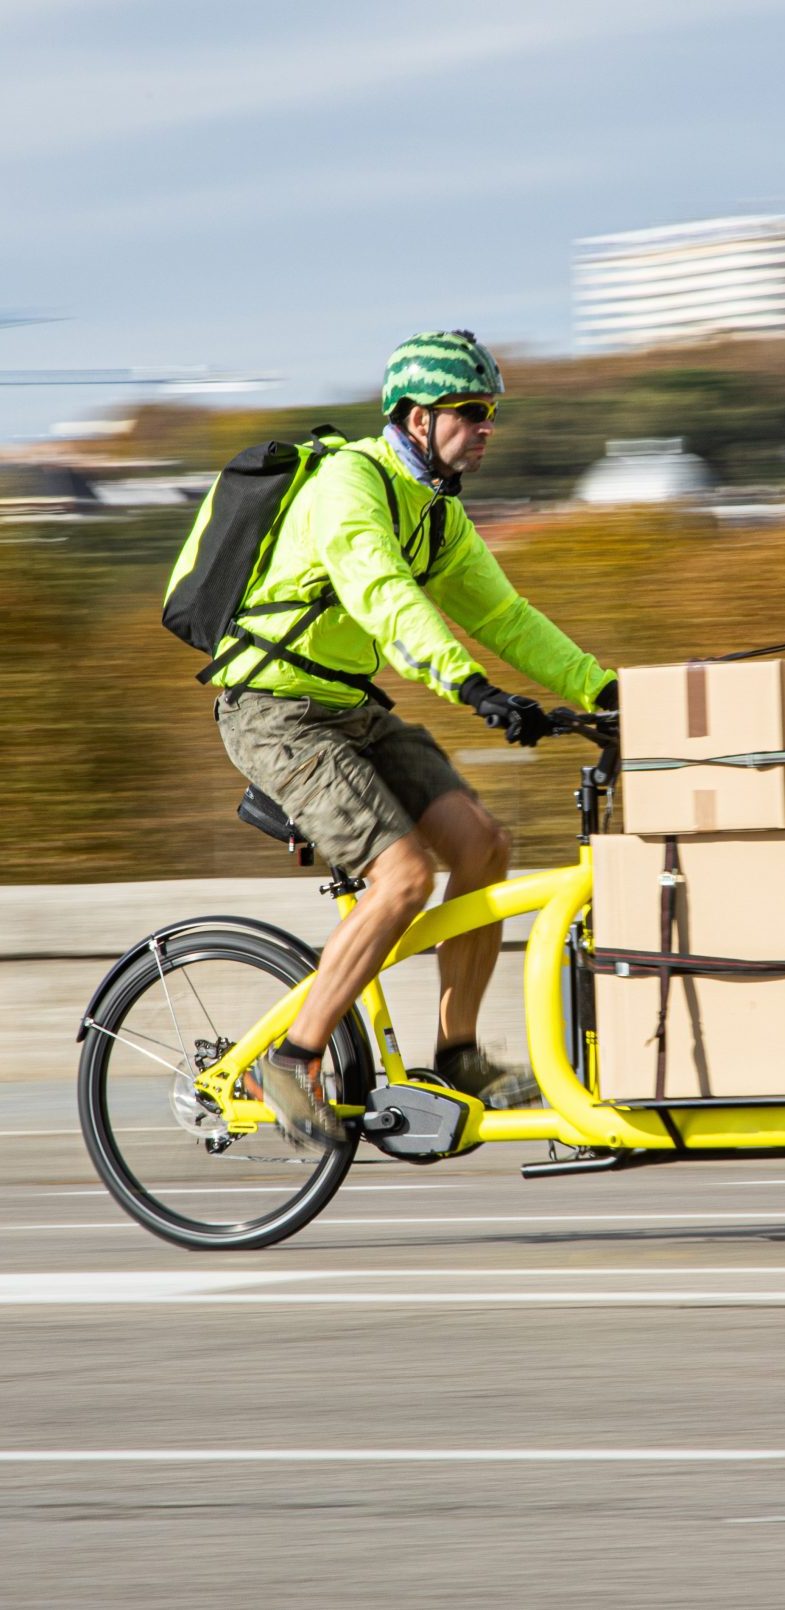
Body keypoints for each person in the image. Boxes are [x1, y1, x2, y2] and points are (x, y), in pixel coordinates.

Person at [207, 329, 617, 1150]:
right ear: (416, 417)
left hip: (348, 708)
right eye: (470, 411)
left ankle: (456, 1056)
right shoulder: (349, 484)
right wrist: (470, 688)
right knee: (401, 878)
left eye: (491, 412)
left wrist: (602, 691)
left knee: (485, 846)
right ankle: (290, 1059)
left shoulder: (437, 515)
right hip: (272, 711)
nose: (486, 426)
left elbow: (504, 617)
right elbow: (382, 595)